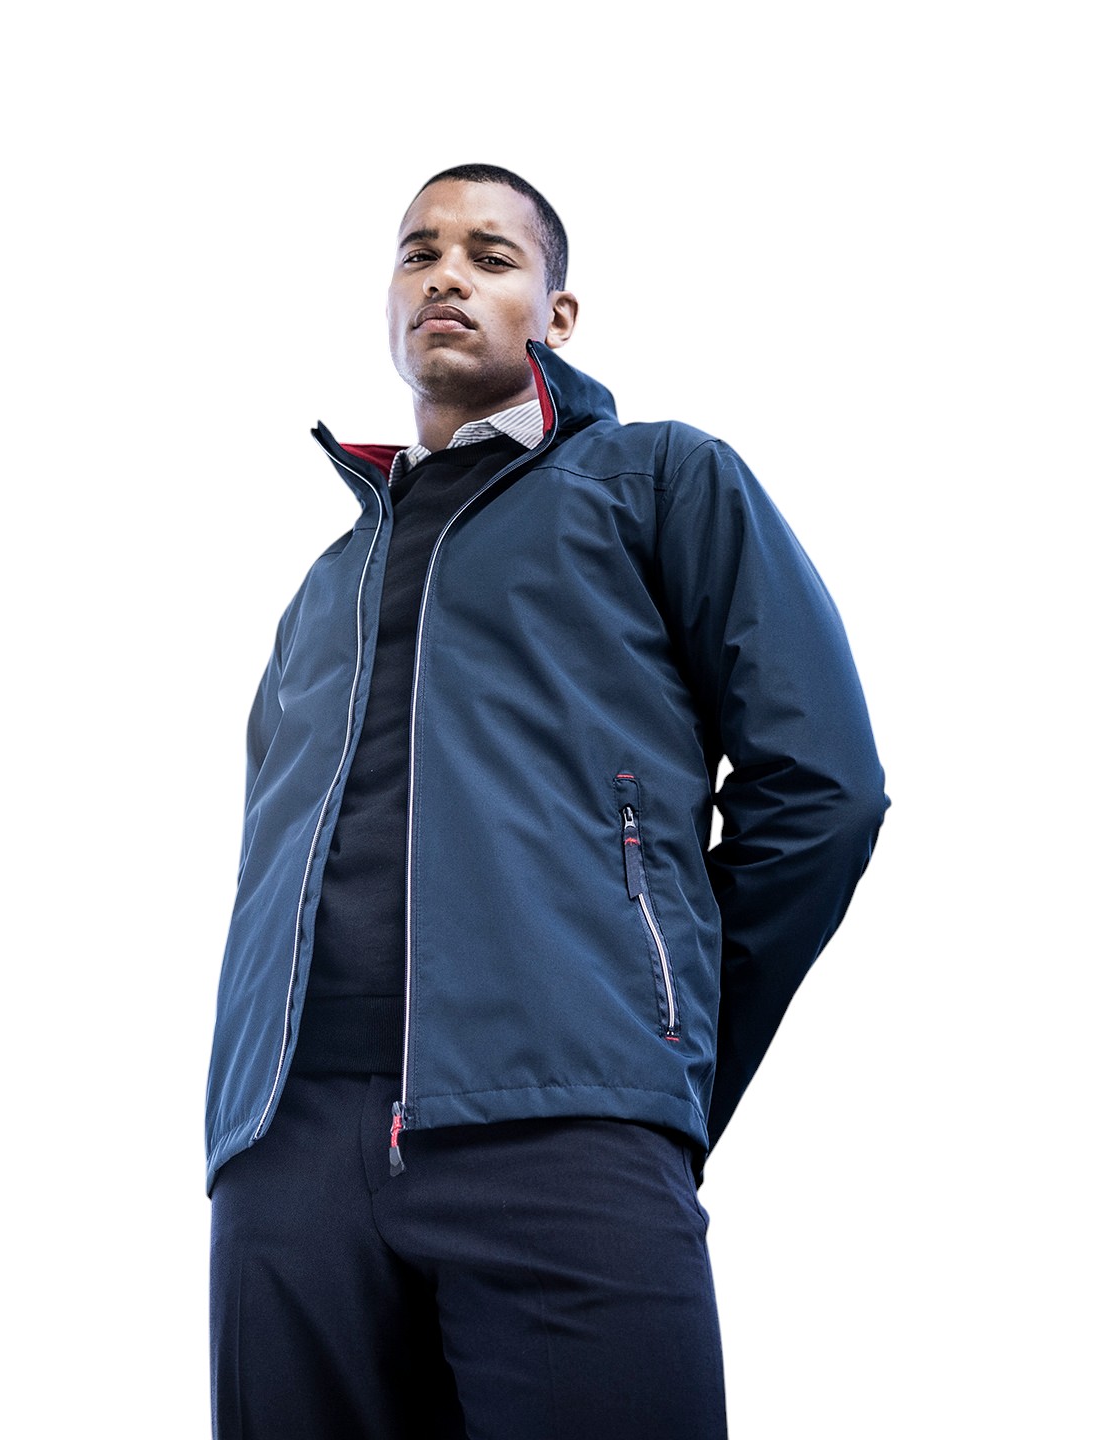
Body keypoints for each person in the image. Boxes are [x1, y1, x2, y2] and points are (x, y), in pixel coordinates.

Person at [205, 163, 888, 1439]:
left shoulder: (660, 482)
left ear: (558, 315)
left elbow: (825, 791)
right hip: (285, 1152)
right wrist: (247, 1131)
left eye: (491, 255)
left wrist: (657, 1056)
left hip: (565, 1126)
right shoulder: (324, 589)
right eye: (419, 253)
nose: (446, 276)